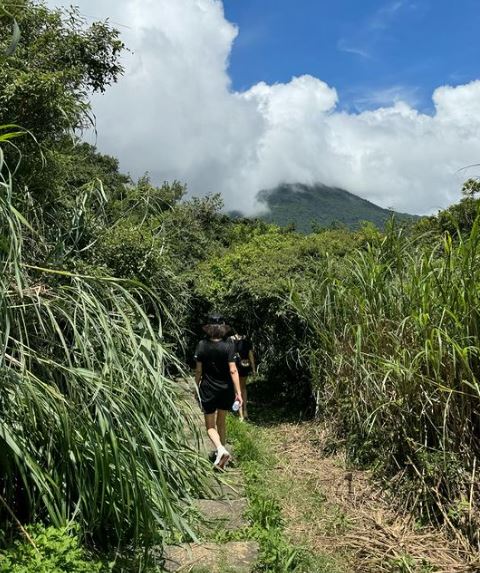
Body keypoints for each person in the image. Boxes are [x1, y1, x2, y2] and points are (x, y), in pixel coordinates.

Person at [194, 313, 243, 469]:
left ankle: (220, 450)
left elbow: (198, 371)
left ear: (209, 329)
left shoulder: (202, 344)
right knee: (221, 421)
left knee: (209, 427)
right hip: (226, 389)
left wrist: (196, 387)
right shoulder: (229, 344)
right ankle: (222, 456)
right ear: (222, 328)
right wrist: (239, 393)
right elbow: (233, 370)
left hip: (208, 389)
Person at [230, 332, 256, 421]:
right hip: (245, 365)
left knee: (237, 390)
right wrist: (253, 369)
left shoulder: (230, 341)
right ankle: (245, 411)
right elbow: (251, 356)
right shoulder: (246, 341)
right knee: (243, 388)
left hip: (235, 366)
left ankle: (240, 414)